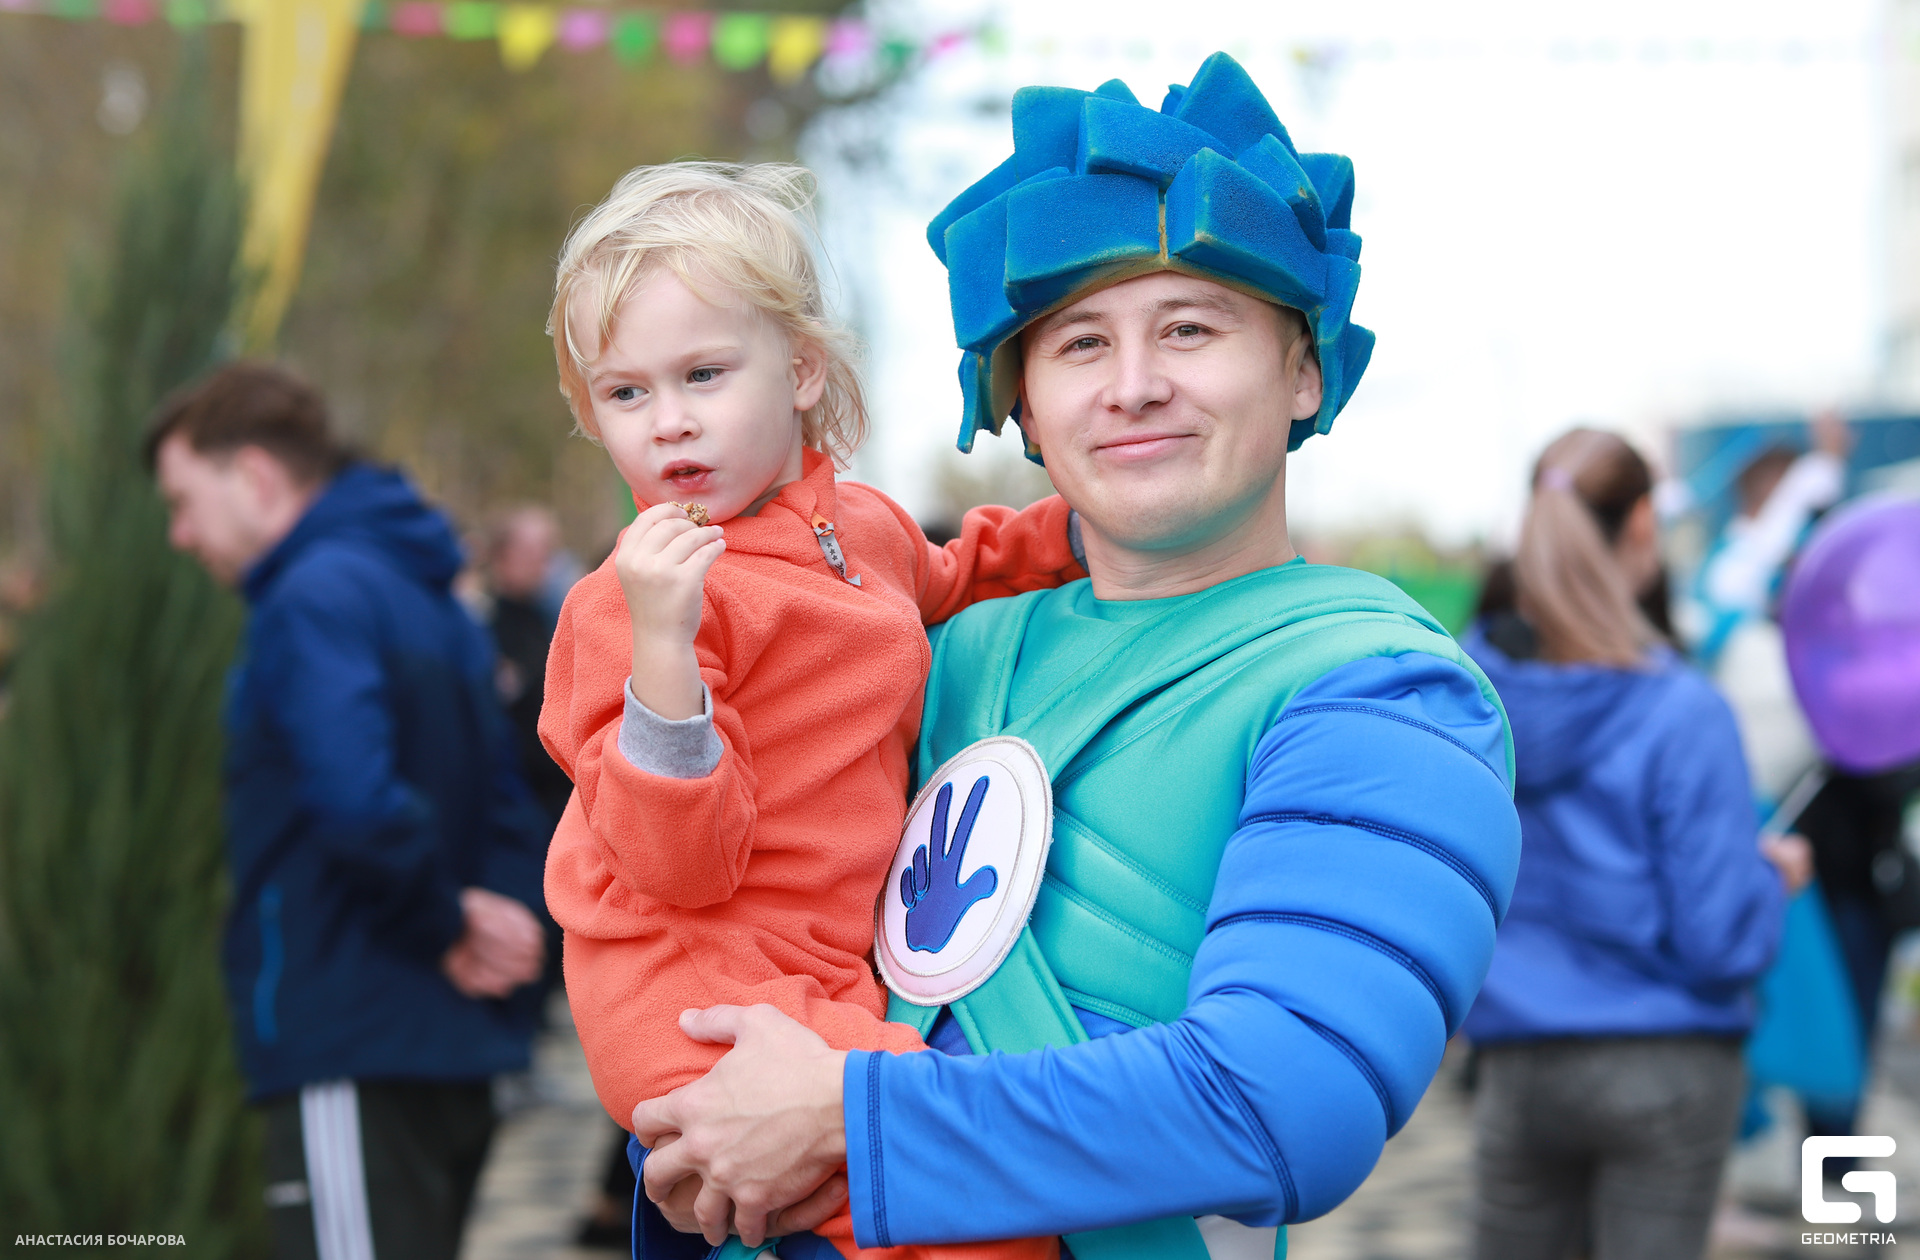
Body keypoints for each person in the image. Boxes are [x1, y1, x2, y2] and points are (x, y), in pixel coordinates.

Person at [622, 53, 1523, 1260]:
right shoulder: (933, 651)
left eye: (1190, 328)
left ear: (1305, 370)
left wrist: (850, 1120)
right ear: (1025, 405)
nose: (1134, 387)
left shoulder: (1385, 694)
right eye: (1081, 343)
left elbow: (1286, 1106)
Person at [537, 162, 1090, 1260]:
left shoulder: (862, 530)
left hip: (825, 967)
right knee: (970, 1184)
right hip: (693, 990)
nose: (669, 424)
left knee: (972, 1189)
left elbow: (959, 572)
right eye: (625, 393)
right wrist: (664, 650)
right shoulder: (632, 605)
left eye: (703, 374)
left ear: (799, 368)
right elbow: (679, 864)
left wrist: (1088, 526)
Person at [146, 362, 551, 1260]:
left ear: (254, 477)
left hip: (352, 1036)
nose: (181, 534)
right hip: (448, 1041)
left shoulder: (311, 596)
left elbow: (356, 800)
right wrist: (505, 926)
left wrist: (448, 924)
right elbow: (505, 800)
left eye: (183, 501)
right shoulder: (430, 598)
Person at [1459, 429, 1793, 1259]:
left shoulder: (1469, 701)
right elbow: (1719, 943)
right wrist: (1767, 880)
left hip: (1515, 1060)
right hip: (1667, 1064)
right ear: (1643, 524)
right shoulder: (1683, 711)